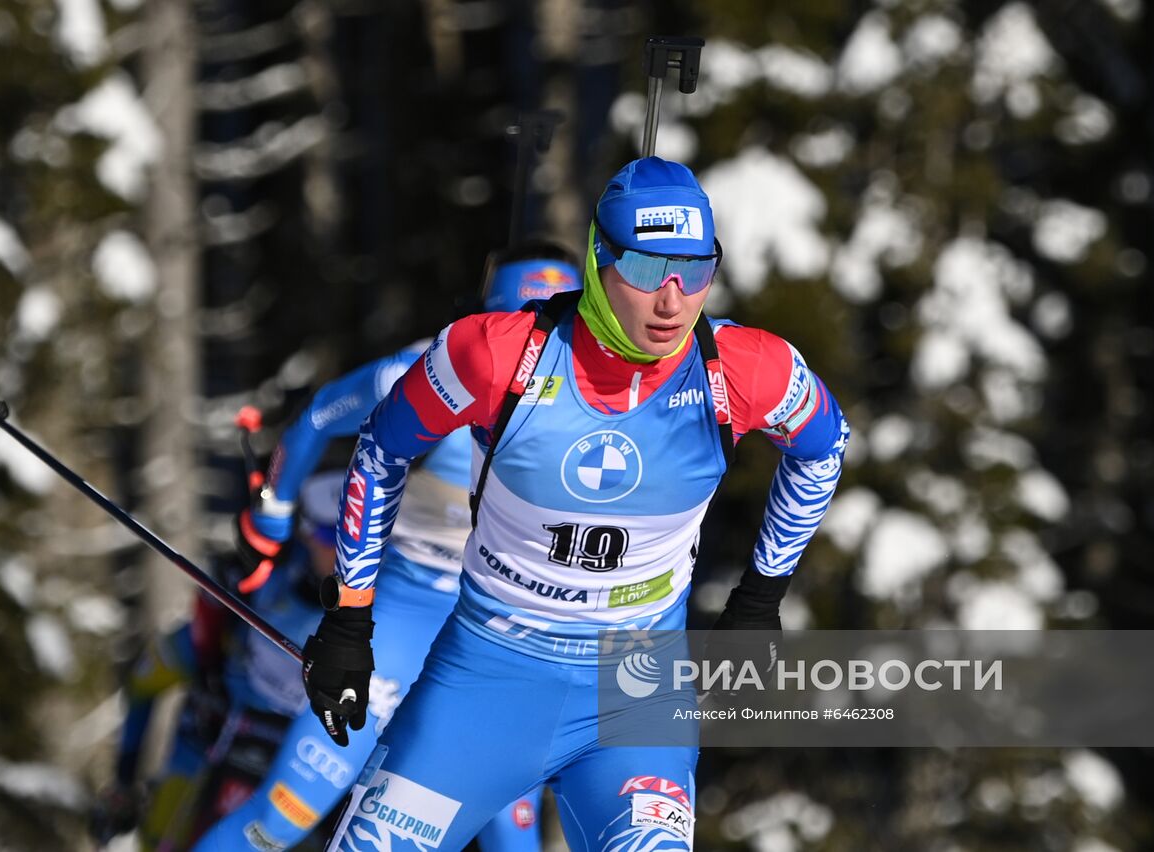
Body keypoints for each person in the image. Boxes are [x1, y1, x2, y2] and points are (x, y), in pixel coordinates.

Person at [304, 156, 851, 851]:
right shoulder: (495, 355)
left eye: (697, 271)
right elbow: (381, 450)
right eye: (649, 270)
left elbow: (823, 450)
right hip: (486, 680)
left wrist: (759, 598)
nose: (672, 300)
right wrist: (350, 620)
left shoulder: (745, 369)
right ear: (599, 260)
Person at [198, 242, 583, 851]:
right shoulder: (443, 365)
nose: (529, 353)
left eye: (554, 331)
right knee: (276, 821)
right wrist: (268, 525)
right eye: (512, 329)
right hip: (394, 630)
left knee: (513, 841)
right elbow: (321, 415)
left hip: (506, 643)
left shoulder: (614, 399)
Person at [93, 475, 353, 850]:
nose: (346, 557)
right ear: (309, 532)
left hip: (302, 780)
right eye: (331, 539)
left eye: (363, 545)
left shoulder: (388, 609)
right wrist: (124, 779)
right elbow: (147, 678)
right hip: (210, 760)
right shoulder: (262, 587)